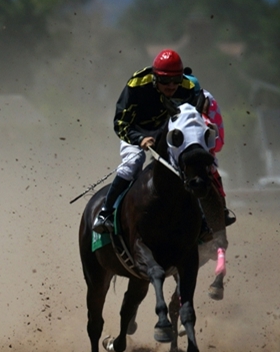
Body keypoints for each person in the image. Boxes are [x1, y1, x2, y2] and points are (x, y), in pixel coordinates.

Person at [92, 49, 201, 234]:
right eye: (166, 81)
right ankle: (105, 213)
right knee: (134, 163)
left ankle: (205, 218)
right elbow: (120, 123)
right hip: (135, 131)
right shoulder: (136, 85)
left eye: (176, 80)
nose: (171, 86)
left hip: (167, 132)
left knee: (193, 162)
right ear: (155, 77)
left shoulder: (187, 88)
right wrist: (140, 139)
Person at [184, 71, 236, 227]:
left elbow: (218, 144)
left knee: (210, 167)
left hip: (202, 154)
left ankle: (221, 210)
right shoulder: (166, 97)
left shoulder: (210, 104)